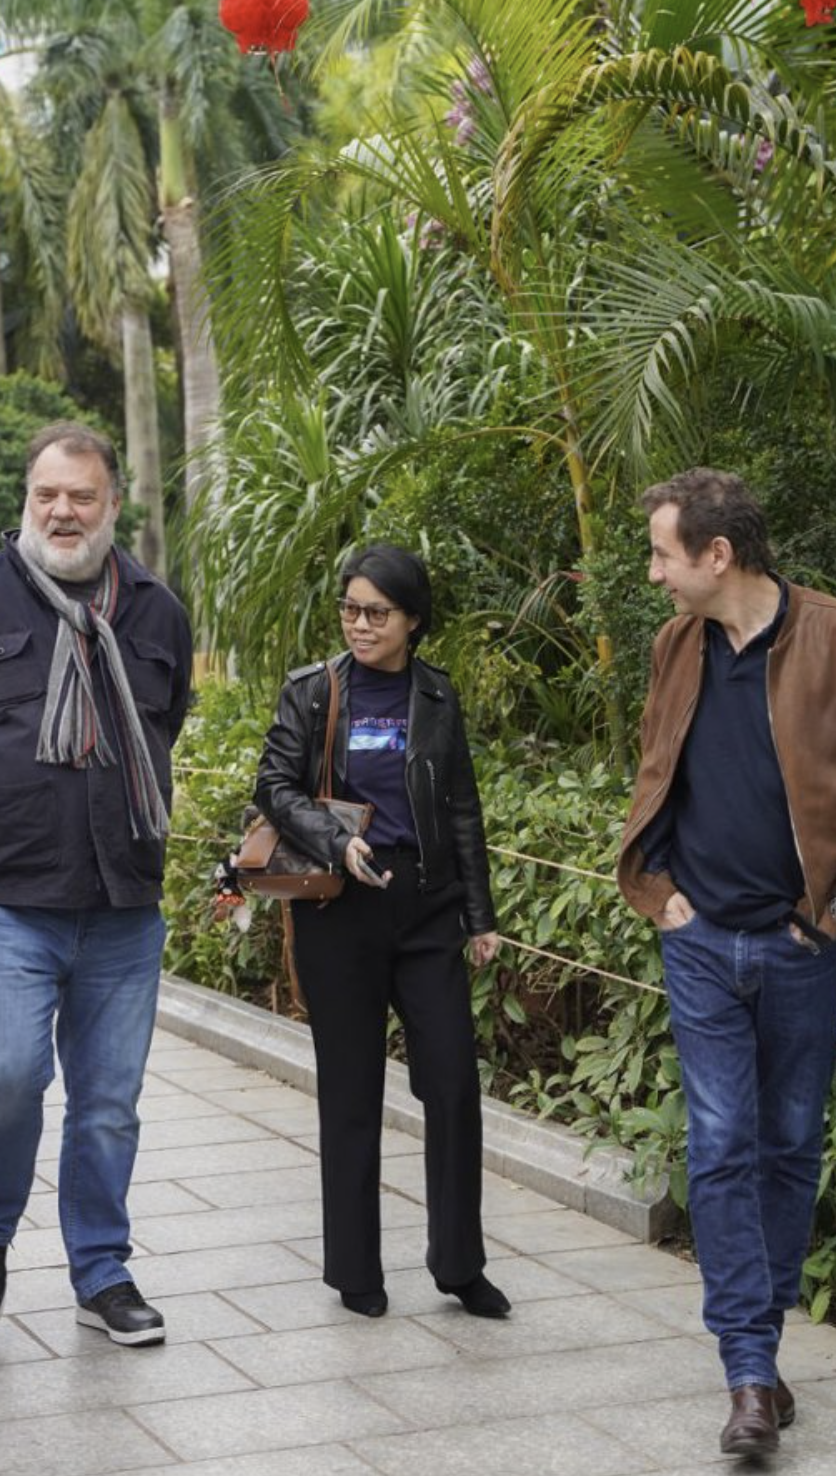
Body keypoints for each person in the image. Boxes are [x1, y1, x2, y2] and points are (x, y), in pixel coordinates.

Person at [617, 468, 836, 1457]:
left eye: (666, 553)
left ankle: (761, 1343)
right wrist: (658, 887)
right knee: (719, 1145)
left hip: (803, 945)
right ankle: (749, 1371)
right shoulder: (679, 646)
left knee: (791, 1144)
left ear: (719, 555)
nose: (656, 573)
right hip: (703, 943)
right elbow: (654, 769)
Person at [0, 422, 192, 1348]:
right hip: (6, 896)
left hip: (122, 901)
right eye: (46, 495)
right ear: (26, 498)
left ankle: (101, 1269)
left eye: (82, 497)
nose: (63, 511)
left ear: (111, 505)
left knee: (107, 1102)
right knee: (6, 1075)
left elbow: (164, 725)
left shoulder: (155, 610)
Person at [254, 543, 510, 1321]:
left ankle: (459, 1264)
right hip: (341, 909)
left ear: (412, 621)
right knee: (351, 1087)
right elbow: (272, 783)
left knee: (453, 1084)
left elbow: (460, 805)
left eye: (377, 612)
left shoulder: (435, 696)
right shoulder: (312, 691)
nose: (360, 624)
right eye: (350, 609)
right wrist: (336, 842)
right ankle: (354, 1269)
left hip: (425, 905)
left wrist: (479, 914)